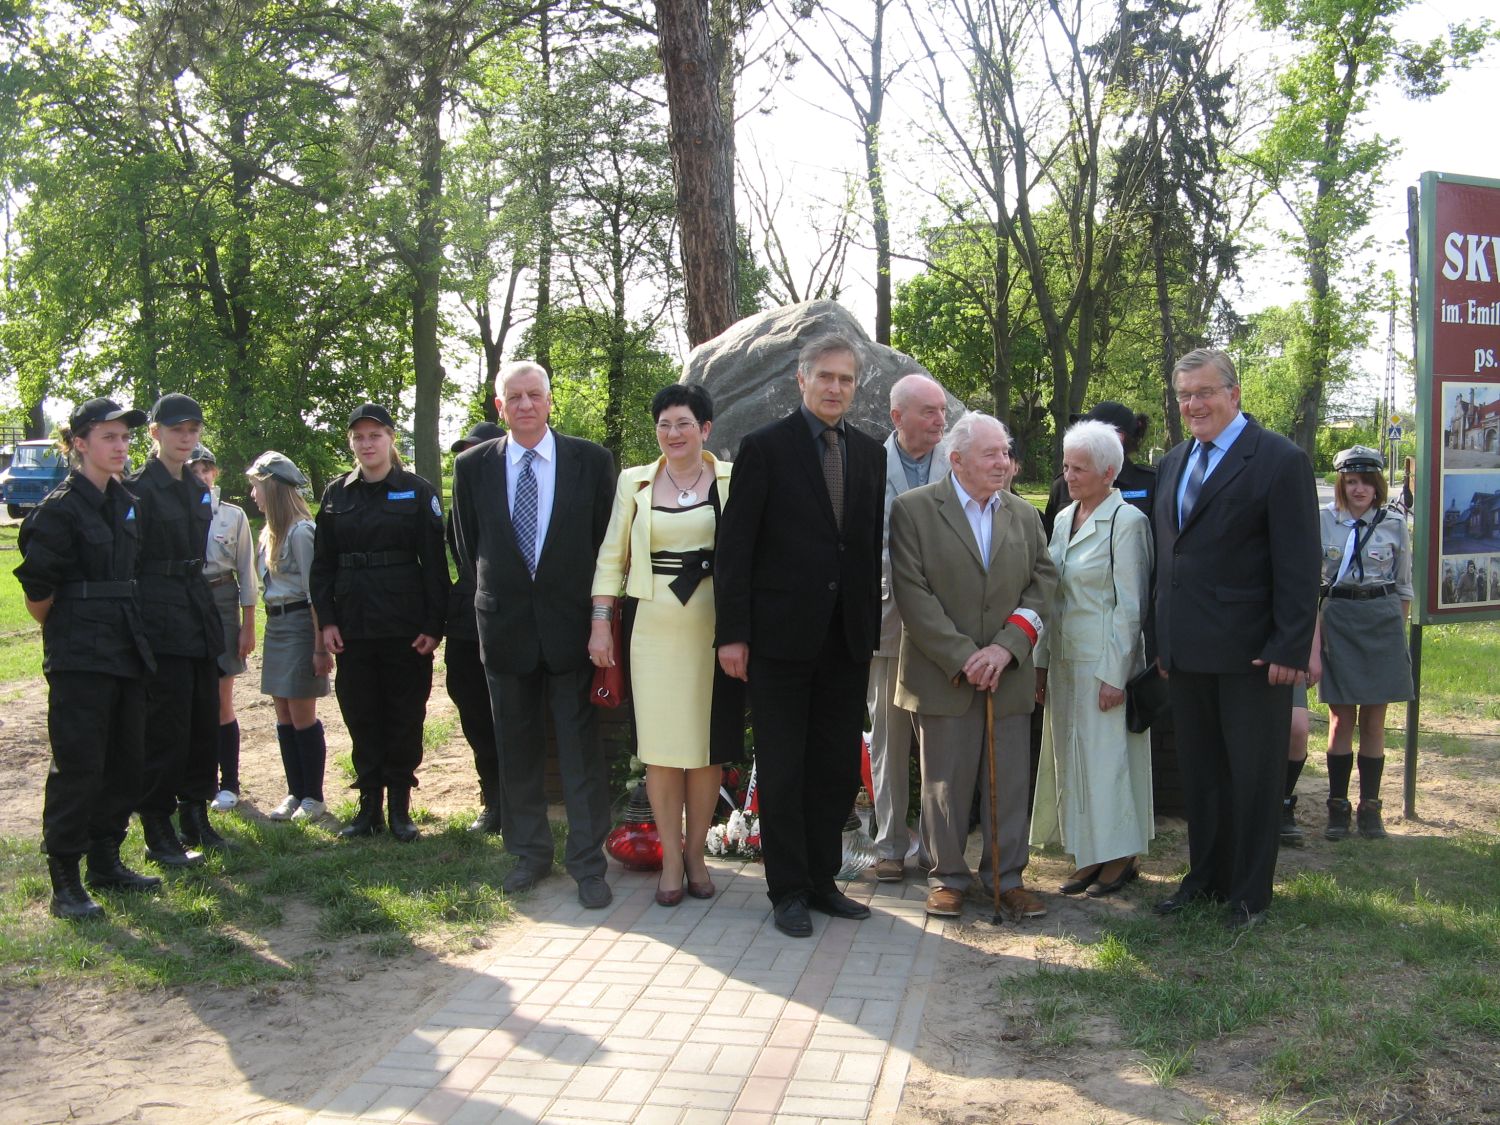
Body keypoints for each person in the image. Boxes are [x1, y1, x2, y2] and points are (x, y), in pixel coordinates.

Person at [715, 332, 886, 938]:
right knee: (784, 766)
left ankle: (821, 880)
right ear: (802, 379)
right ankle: (786, 888)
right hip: (779, 640)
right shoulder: (764, 448)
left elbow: (863, 550)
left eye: (846, 379)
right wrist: (732, 634)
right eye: (826, 377)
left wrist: (867, 632)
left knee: (836, 768)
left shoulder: (870, 454)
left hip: (844, 640)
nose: (836, 388)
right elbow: (735, 549)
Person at [1152, 348, 1319, 931]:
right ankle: (1205, 878)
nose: (1193, 405)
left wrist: (1289, 647)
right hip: (1188, 652)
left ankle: (1249, 894)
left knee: (1252, 777)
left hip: (1253, 654)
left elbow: (1299, 565)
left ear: (1234, 394)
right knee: (1201, 776)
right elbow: (1169, 562)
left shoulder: (1278, 460)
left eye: (1204, 393)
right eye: (1184, 396)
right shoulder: (1174, 462)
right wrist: (1163, 643)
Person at [451, 362, 617, 908]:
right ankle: (528, 853)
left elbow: (606, 545)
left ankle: (588, 864)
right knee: (515, 746)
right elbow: (467, 544)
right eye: (514, 397)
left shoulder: (589, 461)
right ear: (500, 407)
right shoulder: (473, 466)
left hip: (573, 629)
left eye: (534, 395)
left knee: (579, 748)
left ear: (550, 401)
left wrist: (600, 621)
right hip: (504, 629)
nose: (525, 405)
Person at [889, 412, 1056, 921]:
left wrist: (1006, 648)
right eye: (991, 454)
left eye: (1005, 453)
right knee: (944, 783)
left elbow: (1043, 584)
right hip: (943, 677)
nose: (1003, 463)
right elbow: (913, 595)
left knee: (1008, 781)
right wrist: (965, 657)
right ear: (956, 459)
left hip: (1007, 676)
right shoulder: (913, 510)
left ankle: (1006, 879)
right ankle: (946, 878)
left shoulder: (1025, 516)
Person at [589, 385, 737, 906]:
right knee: (660, 752)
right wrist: (601, 623)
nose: (673, 434)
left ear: (706, 429)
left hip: (713, 630)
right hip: (651, 629)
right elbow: (611, 557)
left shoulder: (730, 479)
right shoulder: (635, 483)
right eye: (664, 425)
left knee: (704, 750)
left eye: (683, 424)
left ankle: (696, 853)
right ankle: (670, 858)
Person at [16, 399, 160, 918]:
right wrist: (75, 628)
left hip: (126, 644)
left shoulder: (126, 500)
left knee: (127, 760)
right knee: (79, 765)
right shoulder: (58, 508)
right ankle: (65, 882)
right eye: (108, 437)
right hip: (80, 654)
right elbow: (38, 593)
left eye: (124, 437)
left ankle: (106, 861)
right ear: (79, 443)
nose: (120, 446)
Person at [311, 403, 448, 843]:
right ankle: (368, 806)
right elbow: (322, 566)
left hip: (406, 628)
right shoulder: (337, 495)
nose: (367, 444)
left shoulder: (416, 490)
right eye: (359, 437)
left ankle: (401, 809)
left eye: (375, 435)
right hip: (354, 626)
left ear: (391, 439)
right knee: (361, 716)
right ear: (351, 443)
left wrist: (434, 623)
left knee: (405, 716)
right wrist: (326, 621)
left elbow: (434, 566)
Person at [1030, 420, 1154, 896]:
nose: (1068, 475)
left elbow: (1131, 605)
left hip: (1103, 661)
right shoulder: (1063, 517)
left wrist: (1115, 674)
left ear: (1108, 471)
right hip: (1063, 658)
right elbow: (1050, 595)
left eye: (1078, 467)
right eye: (1065, 465)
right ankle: (1087, 852)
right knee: (1071, 758)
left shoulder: (1129, 523)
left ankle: (1120, 855)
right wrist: (1040, 661)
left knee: (1107, 760)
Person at [128, 393, 227, 866]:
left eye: (193, 430)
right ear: (155, 434)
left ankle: (195, 813)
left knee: (202, 719)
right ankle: (157, 826)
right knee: (165, 726)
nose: (186, 438)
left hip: (195, 605)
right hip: (157, 609)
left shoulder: (195, 486)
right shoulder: (136, 489)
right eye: (176, 430)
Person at [868, 373, 950, 883]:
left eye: (942, 410)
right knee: (889, 737)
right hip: (887, 619)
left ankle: (941, 852)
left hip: (947, 624)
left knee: (942, 739)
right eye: (929, 411)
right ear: (898, 418)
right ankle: (890, 846)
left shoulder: (958, 461)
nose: (940, 419)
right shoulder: (868, 464)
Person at [1317, 444, 1414, 841]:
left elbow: (1404, 585)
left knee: (1375, 720)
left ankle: (1370, 807)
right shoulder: (1322, 521)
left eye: (1366, 482)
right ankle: (1337, 806)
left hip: (1382, 619)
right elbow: (1309, 584)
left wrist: (1398, 635)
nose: (1359, 489)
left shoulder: (1393, 523)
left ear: (1377, 485)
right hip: (1338, 618)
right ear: (1341, 483)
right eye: (1351, 481)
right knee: (1341, 720)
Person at [245, 451, 331, 822]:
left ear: (273, 489)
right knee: (282, 712)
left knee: (301, 714)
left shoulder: (301, 532)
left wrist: (318, 647)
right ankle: (295, 792)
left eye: (256, 487)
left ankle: (314, 795)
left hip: (298, 626)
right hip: (276, 625)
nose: (253, 495)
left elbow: (315, 596)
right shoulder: (268, 532)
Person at [185, 444, 257, 812]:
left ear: (216, 473)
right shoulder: (172, 509)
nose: (201, 475)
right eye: (193, 469)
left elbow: (246, 571)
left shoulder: (233, 516)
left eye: (206, 469)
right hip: (184, 599)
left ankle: (228, 783)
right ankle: (194, 781)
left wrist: (248, 624)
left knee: (220, 699)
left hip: (221, 597)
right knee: (186, 697)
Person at [444, 421, 505, 834]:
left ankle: (515, 800)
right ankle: (492, 797)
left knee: (510, 719)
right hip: (466, 626)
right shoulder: (457, 505)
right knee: (474, 715)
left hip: (509, 624)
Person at [1041, 402, 1156, 537]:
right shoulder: (1063, 484)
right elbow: (1050, 541)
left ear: (1118, 437)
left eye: (1090, 432)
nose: (1070, 476)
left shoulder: (1150, 483)